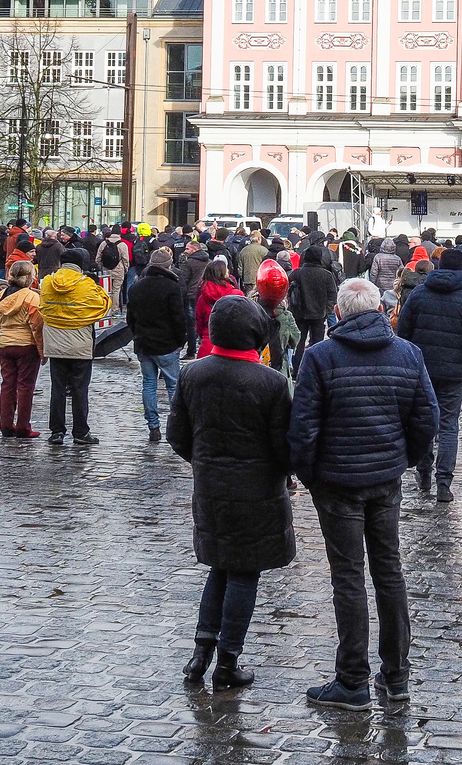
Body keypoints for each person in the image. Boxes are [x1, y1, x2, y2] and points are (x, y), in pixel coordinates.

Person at [290, 278, 439, 710]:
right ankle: (396, 675)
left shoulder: (319, 356)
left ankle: (352, 679)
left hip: (337, 482)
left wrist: (310, 474)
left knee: (350, 576)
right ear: (378, 309)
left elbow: (303, 428)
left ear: (338, 313)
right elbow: (426, 419)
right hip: (383, 479)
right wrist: (403, 459)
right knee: (388, 571)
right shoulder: (407, 353)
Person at [169, 295, 295, 692]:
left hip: (210, 488)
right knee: (243, 572)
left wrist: (205, 463)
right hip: (257, 492)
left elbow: (178, 436)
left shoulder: (193, 374)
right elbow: (285, 447)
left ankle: (199, 655)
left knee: (220, 567)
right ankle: (227, 662)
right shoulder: (271, 382)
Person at [395, 247, 462, 502]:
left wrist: (409, 361)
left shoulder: (418, 294)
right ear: (461, 269)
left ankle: (424, 472)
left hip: (421, 370)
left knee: (425, 421)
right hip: (452, 372)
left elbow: (402, 331)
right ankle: (444, 482)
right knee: (448, 426)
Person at [38, 249, 112, 445]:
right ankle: (80, 432)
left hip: (55, 343)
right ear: (81, 265)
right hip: (80, 344)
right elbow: (103, 306)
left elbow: (42, 307)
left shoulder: (47, 282)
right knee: (80, 390)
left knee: (58, 389)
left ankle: (56, 432)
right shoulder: (86, 284)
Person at [125, 247, 191, 442]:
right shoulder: (171, 287)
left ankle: (153, 426)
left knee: (149, 384)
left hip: (144, 343)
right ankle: (177, 425)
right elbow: (178, 318)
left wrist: (137, 335)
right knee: (173, 386)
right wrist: (181, 341)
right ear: (168, 266)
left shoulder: (136, 286)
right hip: (167, 343)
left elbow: (131, 318)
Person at [0, 261, 44, 438]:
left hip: (5, 344)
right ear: (30, 277)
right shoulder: (31, 297)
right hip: (26, 345)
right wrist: (42, 351)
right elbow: (36, 327)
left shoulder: (1, 295)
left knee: (7, 385)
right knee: (25, 387)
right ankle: (23, 426)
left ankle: (5, 424)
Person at [288, 247, 338, 374]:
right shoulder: (326, 275)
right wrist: (327, 310)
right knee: (318, 344)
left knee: (299, 343)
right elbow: (332, 295)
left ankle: (297, 369)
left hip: (300, 314)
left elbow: (289, 291)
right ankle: (317, 369)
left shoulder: (297, 273)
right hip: (319, 314)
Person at [195, 256, 243, 358]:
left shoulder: (203, 297)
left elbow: (199, 323)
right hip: (231, 345)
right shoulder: (236, 295)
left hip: (208, 345)